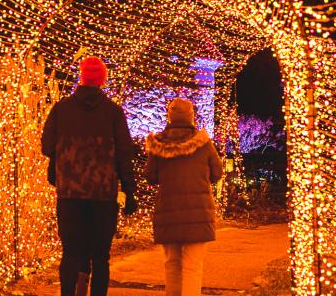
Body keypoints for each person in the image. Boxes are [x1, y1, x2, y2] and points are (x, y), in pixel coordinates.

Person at [41, 56, 138, 296]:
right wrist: (129, 189)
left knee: (72, 253)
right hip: (103, 194)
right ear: (102, 79)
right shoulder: (113, 112)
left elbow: (46, 145)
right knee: (100, 257)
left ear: (81, 77)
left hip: (70, 193)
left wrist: (63, 157)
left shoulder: (62, 109)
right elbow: (124, 153)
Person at [145, 98, 223, 296]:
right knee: (192, 267)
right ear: (191, 117)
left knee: (171, 264)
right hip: (197, 214)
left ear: (169, 116)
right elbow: (217, 173)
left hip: (168, 213)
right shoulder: (204, 143)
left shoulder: (159, 144)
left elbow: (150, 177)